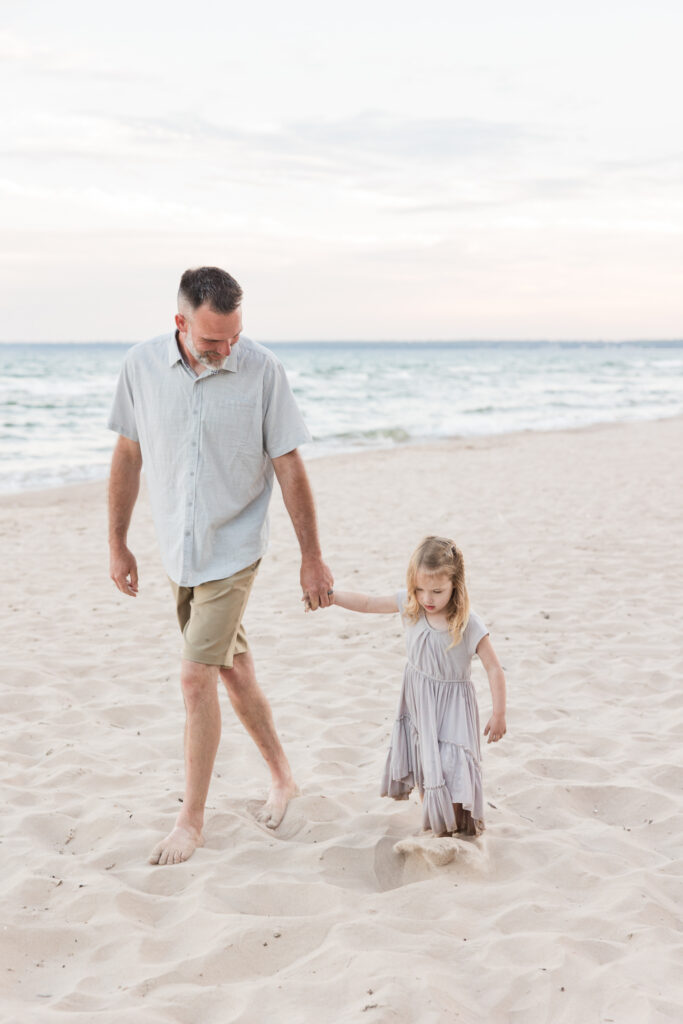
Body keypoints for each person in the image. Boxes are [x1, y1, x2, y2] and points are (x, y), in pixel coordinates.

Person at [107, 266, 333, 866]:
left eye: (234, 336)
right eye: (212, 341)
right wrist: (118, 543)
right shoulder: (140, 367)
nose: (226, 349)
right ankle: (284, 776)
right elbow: (128, 454)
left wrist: (312, 558)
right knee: (233, 671)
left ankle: (192, 822)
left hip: (234, 550)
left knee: (193, 678)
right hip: (179, 552)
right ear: (180, 323)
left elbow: (289, 466)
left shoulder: (263, 371)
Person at [322, 536, 506, 836]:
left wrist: (499, 713)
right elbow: (368, 603)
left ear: (455, 586)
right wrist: (333, 596)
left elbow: (494, 668)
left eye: (437, 591)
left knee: (453, 763)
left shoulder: (467, 623)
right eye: (420, 589)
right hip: (420, 700)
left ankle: (456, 822)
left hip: (454, 705)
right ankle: (437, 825)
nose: (427, 598)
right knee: (427, 762)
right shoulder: (411, 607)